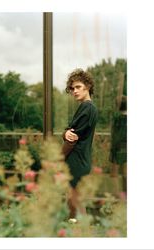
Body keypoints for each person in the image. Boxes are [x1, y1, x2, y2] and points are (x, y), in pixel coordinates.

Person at [62, 68, 98, 220]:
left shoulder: (87, 108)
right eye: (72, 88)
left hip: (76, 161)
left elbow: (72, 139)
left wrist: (57, 159)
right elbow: (70, 133)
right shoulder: (89, 107)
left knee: (74, 204)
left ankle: (79, 234)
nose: (74, 91)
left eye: (78, 87)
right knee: (75, 202)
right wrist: (65, 133)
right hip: (81, 159)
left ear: (87, 86)